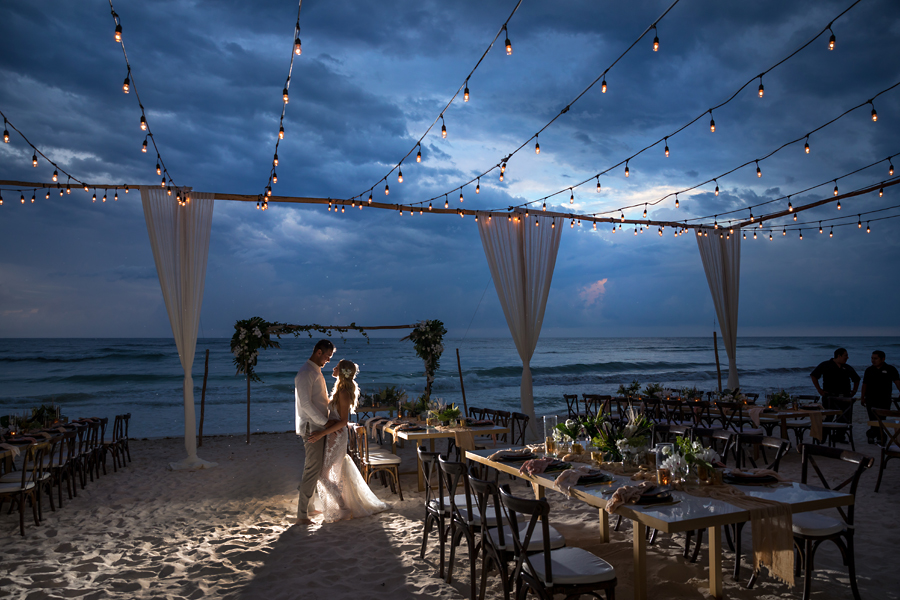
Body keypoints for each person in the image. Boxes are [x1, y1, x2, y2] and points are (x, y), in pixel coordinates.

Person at [307, 359, 389, 523]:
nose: (334, 367)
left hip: (336, 437)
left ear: (342, 371)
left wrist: (321, 434)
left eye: (337, 366)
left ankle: (343, 508)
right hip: (333, 435)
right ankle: (343, 505)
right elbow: (337, 417)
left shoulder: (343, 393)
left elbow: (343, 421)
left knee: (322, 474)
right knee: (329, 473)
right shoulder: (339, 390)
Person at [295, 339, 337, 525]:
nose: (328, 360)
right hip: (312, 427)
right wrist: (326, 423)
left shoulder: (315, 371)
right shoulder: (305, 373)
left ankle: (309, 508)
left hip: (318, 426)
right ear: (318, 352)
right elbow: (305, 405)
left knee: (313, 467)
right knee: (312, 469)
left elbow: (319, 400)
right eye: (327, 356)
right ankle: (302, 515)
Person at [860, 350, 900, 444]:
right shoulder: (869, 370)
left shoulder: (890, 369)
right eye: (872, 358)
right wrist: (862, 397)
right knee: (873, 419)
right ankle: (875, 435)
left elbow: (897, 381)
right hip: (871, 399)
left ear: (883, 359)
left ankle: (877, 436)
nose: (873, 360)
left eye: (875, 358)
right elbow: (864, 384)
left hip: (884, 399)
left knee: (882, 420)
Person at [810, 348, 860, 422]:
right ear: (839, 356)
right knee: (827, 419)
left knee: (844, 420)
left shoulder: (847, 367)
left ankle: (840, 433)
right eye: (845, 355)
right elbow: (814, 375)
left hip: (845, 397)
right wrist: (819, 390)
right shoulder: (826, 365)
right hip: (830, 396)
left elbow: (856, 379)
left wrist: (854, 391)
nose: (847, 357)